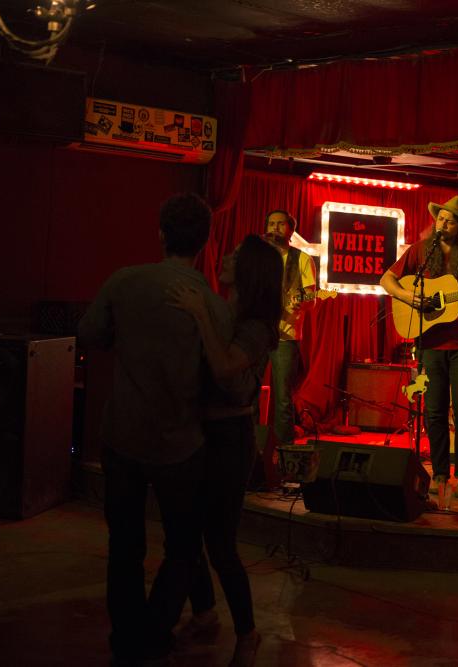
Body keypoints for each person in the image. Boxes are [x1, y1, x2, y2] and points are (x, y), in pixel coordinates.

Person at [78, 193, 228, 664]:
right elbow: (220, 377)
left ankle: (127, 636)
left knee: (124, 544)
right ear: (204, 243)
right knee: (182, 546)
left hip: (122, 436)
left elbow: (88, 335)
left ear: (160, 233)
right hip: (181, 443)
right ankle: (155, 629)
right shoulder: (210, 303)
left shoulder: (125, 282)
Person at [169, 235, 283, 667]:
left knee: (220, 544)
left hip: (230, 439)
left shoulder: (256, 326)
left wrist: (198, 313)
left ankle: (247, 632)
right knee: (187, 533)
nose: (227, 258)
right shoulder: (226, 310)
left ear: (252, 272)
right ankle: (203, 611)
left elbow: (222, 367)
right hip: (201, 432)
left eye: (237, 256)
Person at [380, 195, 458, 499]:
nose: (443, 224)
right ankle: (439, 472)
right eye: (440, 218)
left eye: (450, 220)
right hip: (429, 343)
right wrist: (407, 297)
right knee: (434, 411)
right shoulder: (420, 251)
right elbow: (387, 279)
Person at [262, 210, 317, 451]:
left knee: (283, 397)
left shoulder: (302, 259)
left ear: (290, 230)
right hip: (257, 333)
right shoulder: (259, 258)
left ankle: (284, 455)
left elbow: (312, 296)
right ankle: (250, 450)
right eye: (271, 224)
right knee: (249, 393)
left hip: (286, 334)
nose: (274, 228)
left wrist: (300, 301)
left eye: (280, 224)